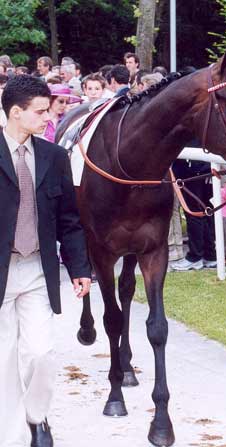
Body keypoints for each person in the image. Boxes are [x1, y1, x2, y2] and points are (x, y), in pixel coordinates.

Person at [0, 75, 91, 447]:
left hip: (38, 268)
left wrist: (80, 268)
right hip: (2, 273)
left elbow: (69, 219)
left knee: (41, 353)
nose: (48, 117)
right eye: (40, 111)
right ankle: (12, 437)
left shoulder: (54, 157)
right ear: (16, 113)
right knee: (5, 360)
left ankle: (37, 417)